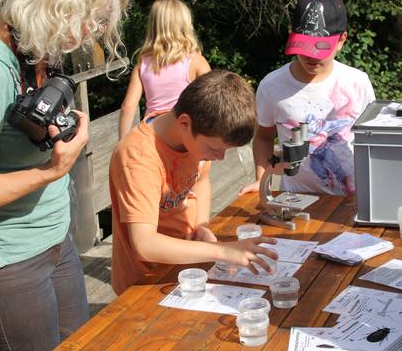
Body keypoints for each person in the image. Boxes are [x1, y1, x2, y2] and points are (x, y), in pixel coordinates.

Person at [0, 0, 130, 349]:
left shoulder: (29, 35)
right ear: (56, 7)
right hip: (4, 258)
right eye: (92, 19)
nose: (95, 32)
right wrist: (52, 170)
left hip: (53, 240)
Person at [109, 70, 277, 295]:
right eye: (214, 149)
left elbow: (201, 179)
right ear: (185, 123)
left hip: (188, 268)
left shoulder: (189, 136)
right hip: (145, 282)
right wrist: (222, 250)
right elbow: (144, 243)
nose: (219, 158)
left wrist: (201, 225)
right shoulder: (139, 158)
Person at [239, 0, 375, 197]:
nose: (311, 57)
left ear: (341, 40)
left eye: (320, 48)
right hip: (295, 197)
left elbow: (371, 141)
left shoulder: (357, 82)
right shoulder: (272, 86)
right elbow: (264, 137)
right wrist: (261, 179)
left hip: (353, 199)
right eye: (304, 46)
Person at [118, 0, 211, 138]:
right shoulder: (197, 61)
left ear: (154, 26)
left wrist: (122, 144)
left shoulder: (143, 64)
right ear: (186, 25)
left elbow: (128, 107)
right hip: (184, 132)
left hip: (152, 133)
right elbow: (211, 102)